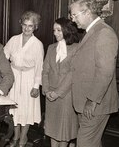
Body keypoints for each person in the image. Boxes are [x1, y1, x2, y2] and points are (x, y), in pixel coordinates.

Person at [69, 0, 119, 147]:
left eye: (74, 15)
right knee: (91, 143)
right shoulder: (91, 32)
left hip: (95, 104)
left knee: (85, 143)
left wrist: (92, 101)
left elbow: (105, 71)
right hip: (86, 102)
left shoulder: (104, 33)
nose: (72, 20)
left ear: (87, 12)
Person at [4, 11, 44, 147]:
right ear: (21, 24)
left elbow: (39, 67)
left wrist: (36, 86)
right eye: (25, 25)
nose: (27, 29)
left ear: (35, 27)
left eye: (30, 26)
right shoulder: (14, 39)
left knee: (27, 109)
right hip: (13, 77)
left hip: (29, 79)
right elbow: (3, 56)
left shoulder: (37, 44)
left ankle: (23, 138)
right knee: (14, 109)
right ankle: (15, 136)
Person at [42, 17, 79, 147]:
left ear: (67, 30)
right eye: (54, 30)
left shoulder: (76, 48)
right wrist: (46, 91)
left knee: (64, 132)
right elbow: (45, 71)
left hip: (66, 96)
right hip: (50, 95)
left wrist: (58, 93)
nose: (55, 33)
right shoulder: (51, 48)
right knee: (52, 129)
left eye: (58, 30)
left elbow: (72, 74)